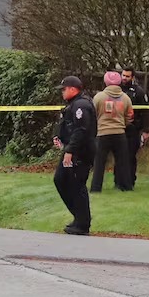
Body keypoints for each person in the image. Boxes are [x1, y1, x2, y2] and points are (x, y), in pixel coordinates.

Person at [53, 75, 96, 235]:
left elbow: (81, 130)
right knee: (61, 180)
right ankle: (78, 217)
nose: (62, 93)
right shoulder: (72, 104)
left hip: (80, 152)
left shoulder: (81, 106)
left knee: (77, 185)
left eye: (64, 89)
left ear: (73, 89)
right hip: (71, 150)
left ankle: (83, 223)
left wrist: (70, 150)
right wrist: (59, 138)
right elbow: (68, 126)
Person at [91, 71, 135, 192]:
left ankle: (96, 188)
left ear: (106, 82)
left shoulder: (98, 97)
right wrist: (123, 124)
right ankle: (126, 186)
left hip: (102, 134)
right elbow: (130, 116)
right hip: (120, 134)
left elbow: (92, 115)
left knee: (99, 163)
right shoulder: (126, 98)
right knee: (123, 162)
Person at [121, 68, 149, 188]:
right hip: (119, 128)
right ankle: (119, 181)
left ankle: (130, 181)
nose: (124, 78)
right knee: (119, 156)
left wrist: (146, 130)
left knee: (130, 156)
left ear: (132, 77)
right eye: (123, 75)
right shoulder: (117, 89)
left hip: (133, 129)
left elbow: (146, 112)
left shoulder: (138, 92)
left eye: (127, 76)